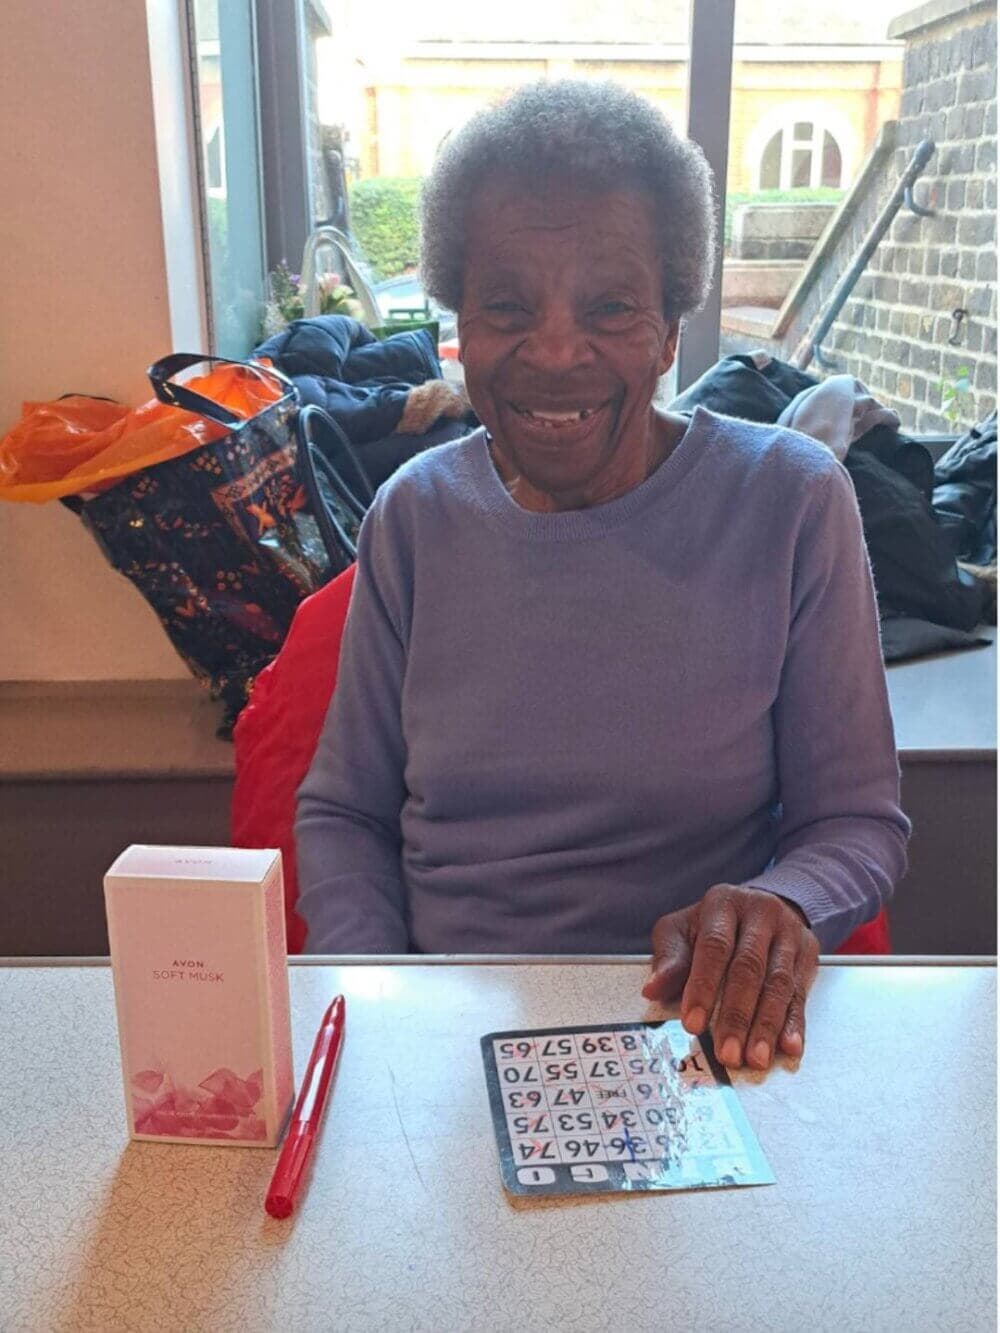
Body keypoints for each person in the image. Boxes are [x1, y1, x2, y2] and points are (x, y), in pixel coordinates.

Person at [295, 80, 910, 1071]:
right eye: (506, 305)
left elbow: (855, 822)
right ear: (461, 329)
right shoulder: (414, 515)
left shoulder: (792, 502)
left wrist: (779, 906)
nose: (553, 351)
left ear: (671, 329)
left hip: (698, 1038)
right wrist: (379, 1001)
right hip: (445, 1038)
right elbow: (345, 812)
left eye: (609, 305)